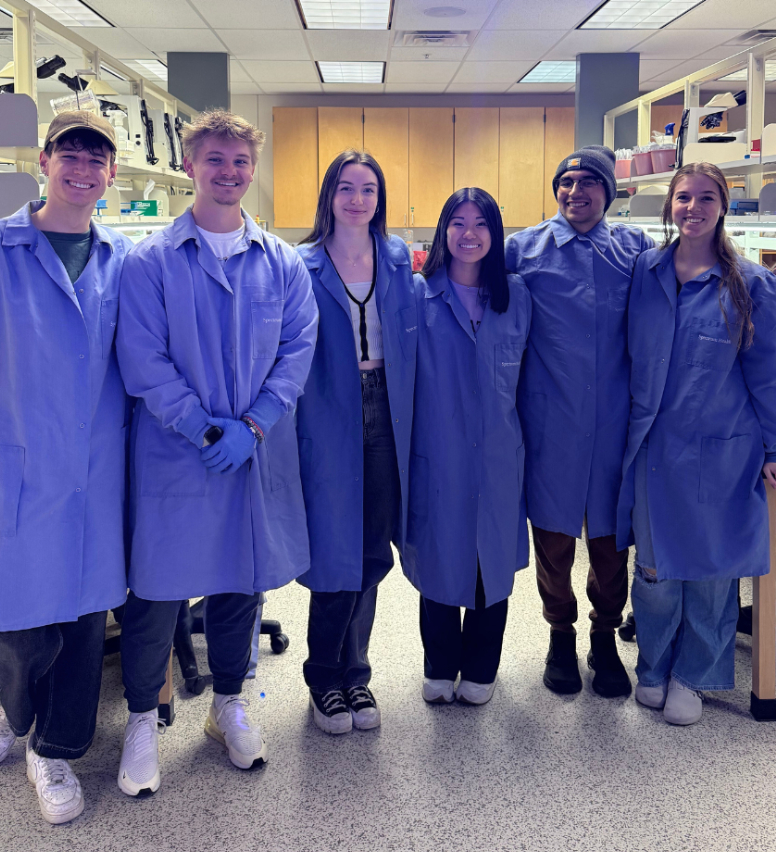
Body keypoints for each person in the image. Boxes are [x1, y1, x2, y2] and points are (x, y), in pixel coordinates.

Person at [505, 146, 776, 699]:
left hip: (623, 430)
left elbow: (710, 289)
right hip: (553, 427)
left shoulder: (635, 253)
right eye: (566, 182)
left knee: (611, 547)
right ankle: (559, 635)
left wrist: (767, 288)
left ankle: (602, 637)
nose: (577, 192)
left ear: (610, 193)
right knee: (552, 543)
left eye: (590, 182)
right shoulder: (522, 251)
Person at [0, 112, 130, 824]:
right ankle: (11, 703)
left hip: (93, 476)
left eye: (96, 159)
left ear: (112, 175)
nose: (82, 168)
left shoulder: (120, 258)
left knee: (79, 627)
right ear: (44, 161)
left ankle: (56, 751)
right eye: (69, 154)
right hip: (10, 467)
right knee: (11, 627)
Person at [114, 109, 318, 794]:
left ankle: (229, 705)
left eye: (239, 162)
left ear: (251, 170)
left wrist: (252, 426)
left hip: (250, 452)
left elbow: (297, 351)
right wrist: (204, 428)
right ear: (190, 167)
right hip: (177, 455)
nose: (229, 174)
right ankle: (143, 718)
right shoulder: (151, 261)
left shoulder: (280, 261)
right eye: (215, 161)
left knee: (241, 584)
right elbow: (142, 359)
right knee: (156, 594)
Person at [617, 162, 776, 726]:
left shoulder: (751, 283)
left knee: (712, 573)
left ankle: (695, 675)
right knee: (654, 573)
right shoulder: (644, 272)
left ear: (723, 205)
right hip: (652, 449)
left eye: (704, 198)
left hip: (721, 450)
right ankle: (653, 666)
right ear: (669, 205)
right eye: (682, 198)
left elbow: (766, 376)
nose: (692, 208)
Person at [295, 151, 417, 734]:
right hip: (326, 414)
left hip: (387, 412)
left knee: (372, 550)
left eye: (369, 189)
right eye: (346, 188)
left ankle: (357, 673)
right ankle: (324, 677)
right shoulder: (302, 263)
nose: (357, 200)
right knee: (332, 552)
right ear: (329, 196)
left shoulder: (395, 258)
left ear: (380, 198)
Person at [404, 187, 531, 706]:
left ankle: (481, 667)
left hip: (501, 452)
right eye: (458, 222)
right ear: (443, 231)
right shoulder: (416, 294)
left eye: (481, 223)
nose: (469, 234)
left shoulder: (516, 296)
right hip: (437, 451)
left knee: (490, 564)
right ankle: (439, 662)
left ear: (495, 233)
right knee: (439, 557)